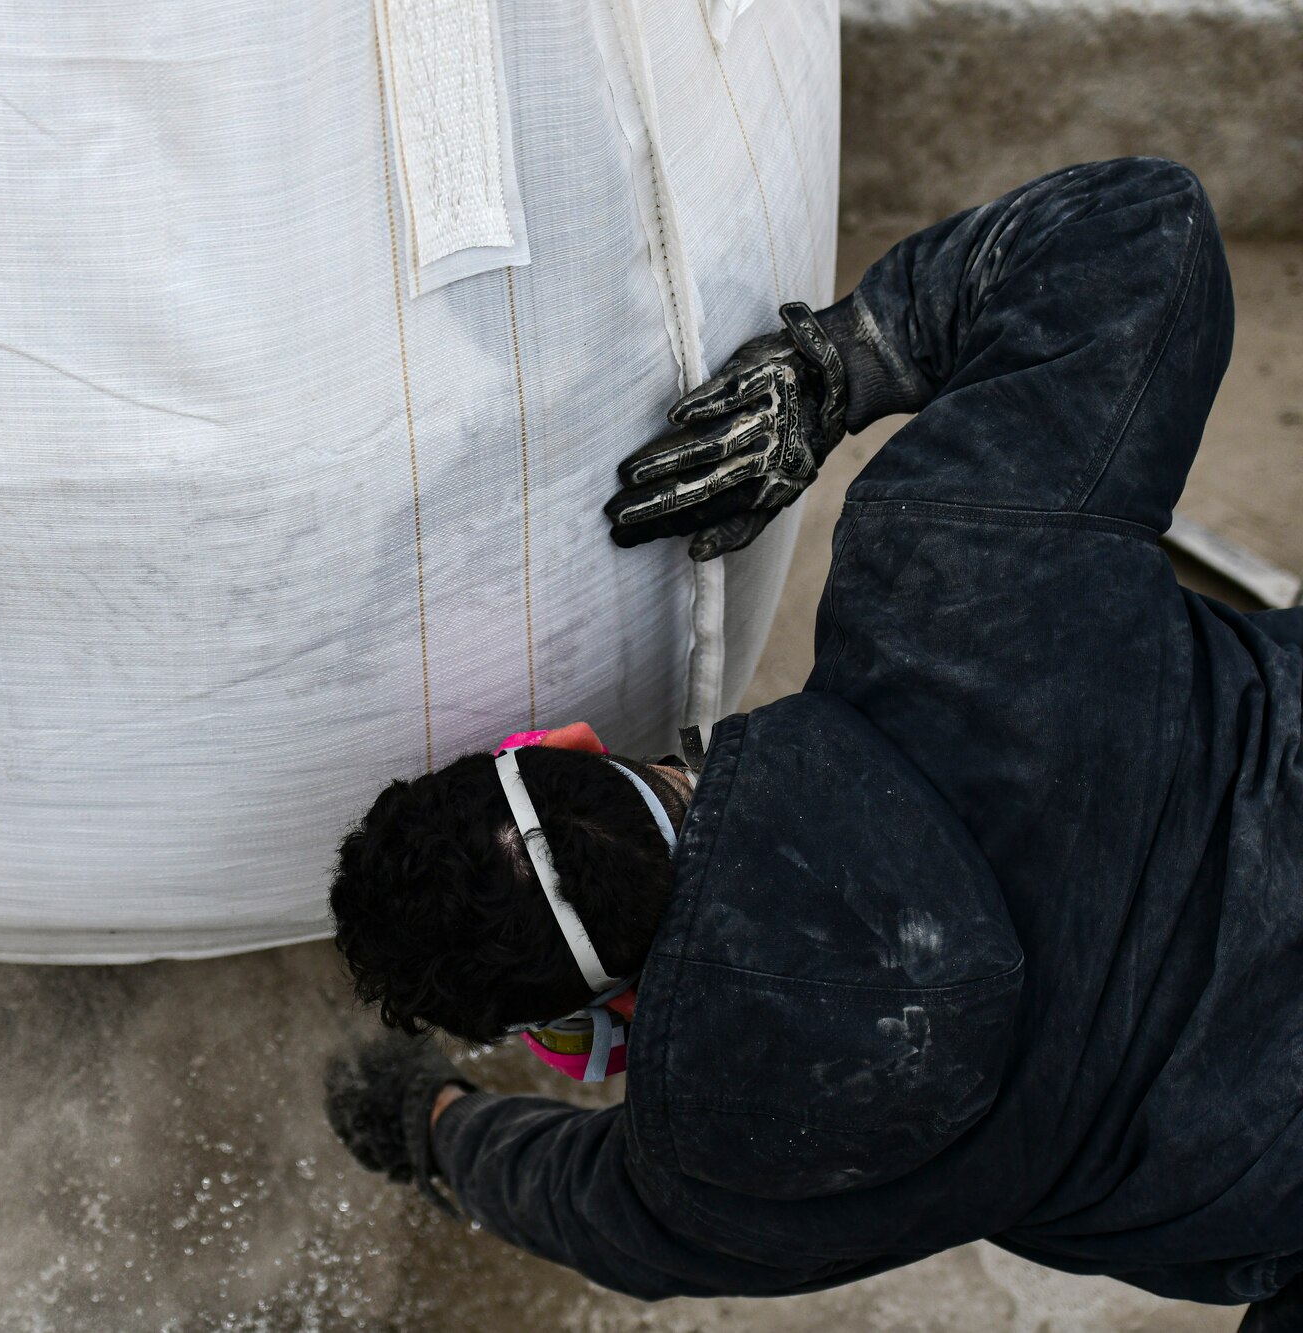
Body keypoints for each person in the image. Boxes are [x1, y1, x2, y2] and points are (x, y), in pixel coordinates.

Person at [320, 159, 1303, 1332]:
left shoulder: (740, 1166)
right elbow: (1141, 231)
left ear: (580, 1035)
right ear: (581, 741)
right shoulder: (951, 583)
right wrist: (834, 365)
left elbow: (573, 1202)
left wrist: (428, 1131)